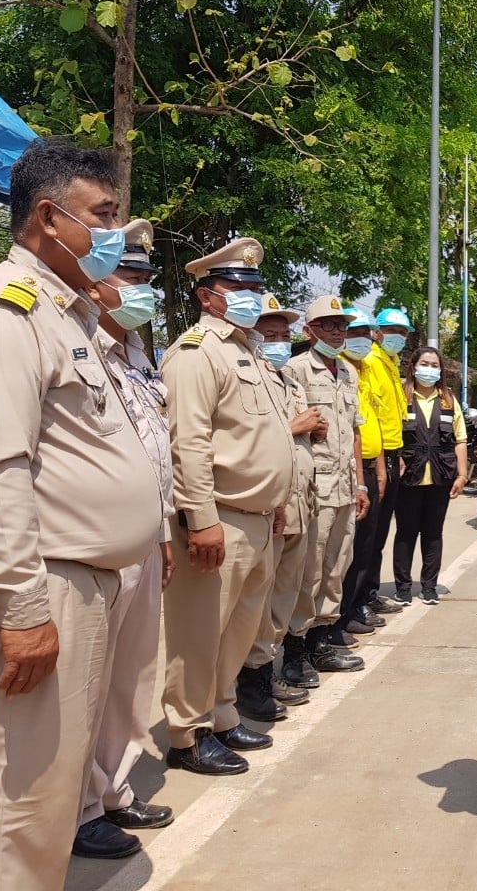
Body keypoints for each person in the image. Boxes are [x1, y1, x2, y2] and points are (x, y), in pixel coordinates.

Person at [0, 141, 164, 891]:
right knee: (17, 790)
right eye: (104, 215)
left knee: (50, 790)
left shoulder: (66, 316)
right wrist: (24, 608)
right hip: (41, 582)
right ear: (49, 217)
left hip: (81, 580)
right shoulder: (2, 316)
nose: (115, 233)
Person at [160, 238, 296, 774]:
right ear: (206, 296)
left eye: (255, 287)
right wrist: (201, 520)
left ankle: (220, 715)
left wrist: (277, 502)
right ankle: (186, 735)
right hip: (221, 517)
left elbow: (264, 436)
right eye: (237, 287)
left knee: (237, 631)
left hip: (258, 518)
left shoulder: (250, 351)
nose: (250, 297)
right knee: (200, 634)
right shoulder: (196, 353)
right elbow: (188, 442)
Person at [73, 218, 176, 859]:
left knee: (131, 676)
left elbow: (155, 450)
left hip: (142, 537)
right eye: (127, 276)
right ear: (94, 282)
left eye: (144, 277)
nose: (140, 288)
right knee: (89, 680)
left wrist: (162, 530)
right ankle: (79, 808)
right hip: (93, 545)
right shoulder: (76, 343)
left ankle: (112, 789)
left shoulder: (138, 353)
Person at [239, 295, 323, 717]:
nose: (278, 342)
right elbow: (246, 438)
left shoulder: (288, 381)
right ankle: (251, 680)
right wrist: (295, 426)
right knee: (262, 599)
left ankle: (270, 669)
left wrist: (312, 430)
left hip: (299, 501)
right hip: (270, 505)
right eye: (269, 334)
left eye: (283, 334)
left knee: (287, 593)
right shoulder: (249, 380)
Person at [285, 296, 369, 663]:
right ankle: (295, 651)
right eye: (329, 325)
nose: (337, 332)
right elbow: (287, 426)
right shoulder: (295, 369)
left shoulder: (348, 372)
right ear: (309, 330)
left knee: (336, 566)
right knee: (309, 570)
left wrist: (361, 483)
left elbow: (354, 432)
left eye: (342, 325)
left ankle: (321, 641)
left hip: (345, 485)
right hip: (313, 486)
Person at [393, 347, 469, 604]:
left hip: (440, 478)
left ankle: (429, 587)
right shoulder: (401, 396)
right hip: (408, 479)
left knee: (433, 534)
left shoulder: (448, 400)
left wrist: (461, 475)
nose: (429, 369)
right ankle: (403, 588)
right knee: (406, 533)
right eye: (424, 363)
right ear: (413, 367)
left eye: (434, 365)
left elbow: (460, 439)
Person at [351, 306, 412, 612]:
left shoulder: (390, 363)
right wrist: (381, 462)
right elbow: (369, 415)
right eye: (391, 331)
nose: (397, 337)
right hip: (377, 455)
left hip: (389, 452)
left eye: (402, 333)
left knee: (378, 533)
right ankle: (358, 599)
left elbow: (388, 415)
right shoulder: (371, 361)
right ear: (378, 333)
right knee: (367, 535)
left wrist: (396, 455)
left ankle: (369, 593)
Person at [338, 307, 393, 633]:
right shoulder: (340, 370)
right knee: (349, 549)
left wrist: (381, 467)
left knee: (368, 546)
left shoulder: (367, 369)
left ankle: (358, 604)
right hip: (347, 470)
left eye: (364, 333)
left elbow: (372, 423)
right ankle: (342, 614)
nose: (361, 339)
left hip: (370, 466)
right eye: (353, 333)